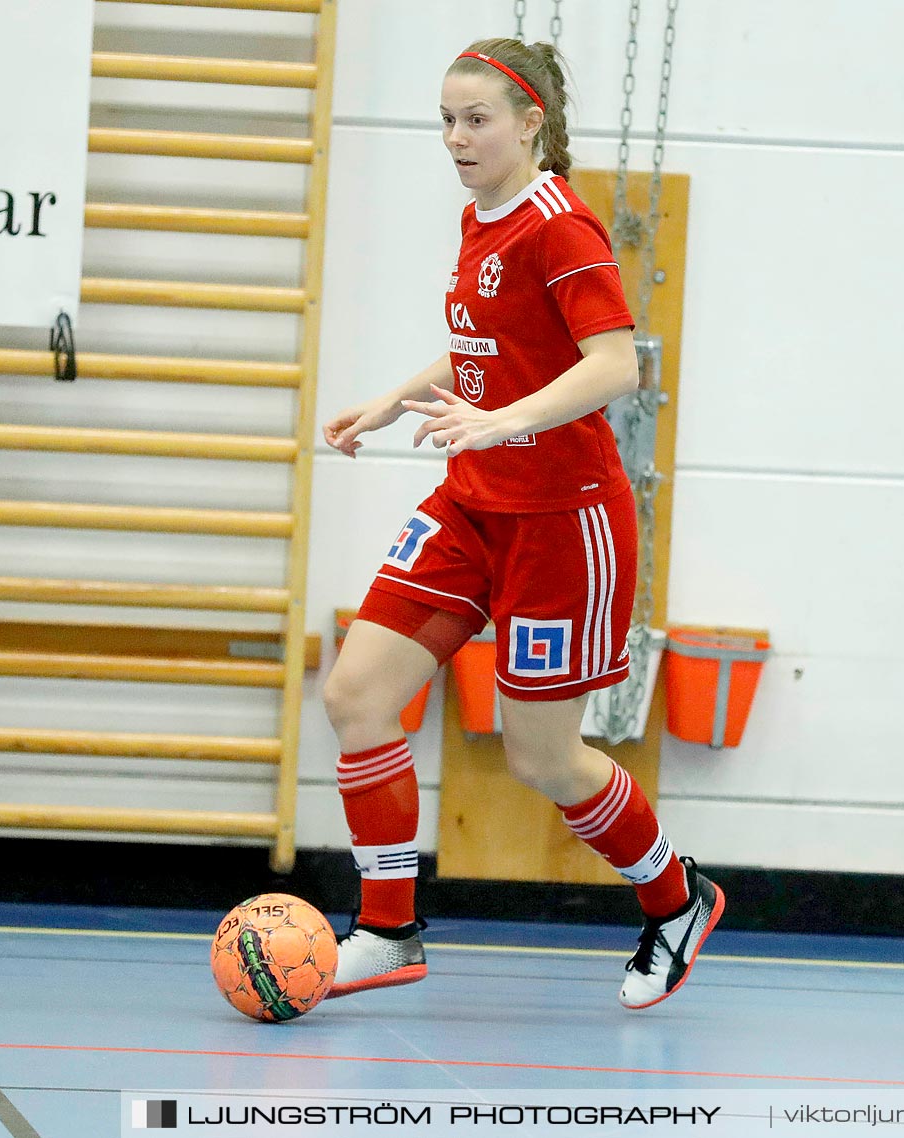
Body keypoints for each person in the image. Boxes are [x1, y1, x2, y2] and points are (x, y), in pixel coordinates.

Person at [318, 37, 724, 1011]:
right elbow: (486, 350)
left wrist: (500, 421)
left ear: (530, 121)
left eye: (477, 120)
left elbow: (613, 363)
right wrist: (391, 398)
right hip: (473, 506)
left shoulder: (562, 226)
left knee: (542, 756)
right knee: (357, 696)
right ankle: (387, 930)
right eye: (447, 121)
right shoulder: (480, 218)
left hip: (561, 524)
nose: (457, 138)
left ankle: (677, 899)